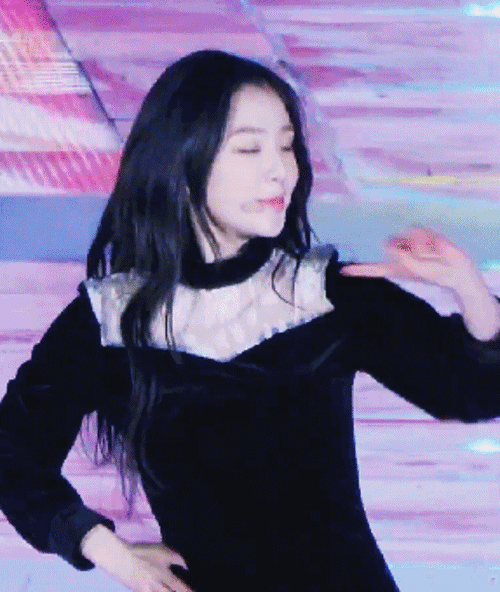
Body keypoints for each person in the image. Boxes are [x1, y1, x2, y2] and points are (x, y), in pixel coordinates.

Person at [1, 49, 500, 592]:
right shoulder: (112, 320)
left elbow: (472, 389)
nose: (279, 169)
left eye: (286, 145)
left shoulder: (327, 293)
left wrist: (466, 284)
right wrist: (106, 549)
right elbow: (13, 454)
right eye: (248, 148)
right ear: (181, 163)